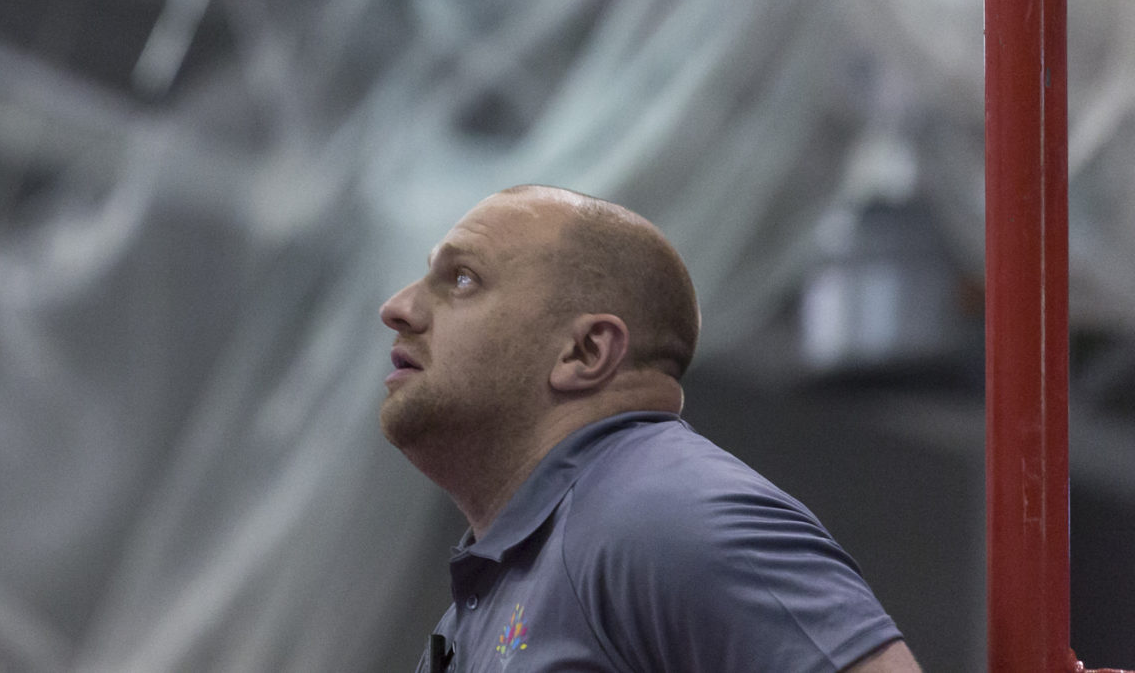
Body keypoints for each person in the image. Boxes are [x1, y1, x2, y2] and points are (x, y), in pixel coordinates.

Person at [379, 185, 923, 673]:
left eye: (463, 278)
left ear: (585, 351)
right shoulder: (515, 572)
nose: (397, 308)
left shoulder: (668, 518)